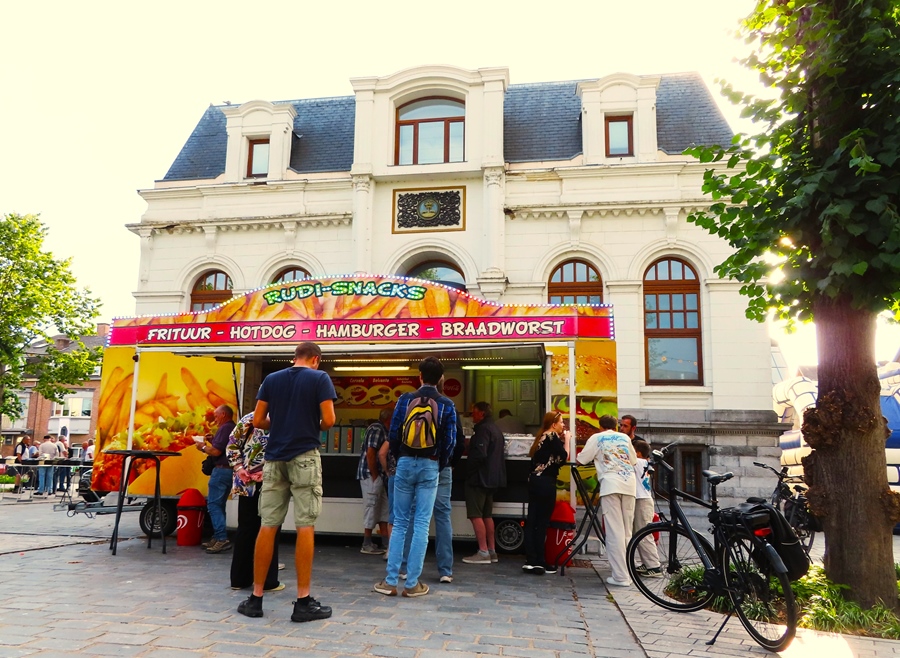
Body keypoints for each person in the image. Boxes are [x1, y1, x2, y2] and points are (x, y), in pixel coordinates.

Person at [238, 341, 336, 622]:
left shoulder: (272, 379)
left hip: (274, 459)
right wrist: (309, 424)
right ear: (315, 359)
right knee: (305, 525)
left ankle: (256, 598)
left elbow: (258, 420)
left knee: (268, 525)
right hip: (304, 456)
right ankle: (303, 601)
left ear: (295, 357)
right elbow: (329, 420)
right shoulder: (320, 378)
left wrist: (280, 423)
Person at [375, 356, 456, 598]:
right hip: (430, 464)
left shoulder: (405, 399)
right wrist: (438, 462)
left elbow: (394, 433)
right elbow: (450, 441)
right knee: (422, 523)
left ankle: (390, 581)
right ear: (440, 379)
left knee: (400, 522)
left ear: (419, 376)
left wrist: (401, 457)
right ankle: (412, 584)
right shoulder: (447, 404)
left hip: (405, 463)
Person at [577, 415, 637, 587]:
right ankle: (629, 571)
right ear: (615, 426)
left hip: (611, 484)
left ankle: (620, 576)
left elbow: (581, 459)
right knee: (627, 531)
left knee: (614, 531)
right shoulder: (624, 438)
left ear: (600, 426)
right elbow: (632, 461)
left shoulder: (597, 437)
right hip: (629, 484)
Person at [227, 412, 281, 592]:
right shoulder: (284, 417)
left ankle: (239, 579)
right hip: (271, 482)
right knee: (270, 527)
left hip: (246, 481)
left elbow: (232, 444)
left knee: (245, 529)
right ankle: (268, 581)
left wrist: (239, 468)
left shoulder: (249, 418)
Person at [523, 411, 569, 575]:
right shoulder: (552, 437)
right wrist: (567, 440)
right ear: (554, 424)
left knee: (532, 520)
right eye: (561, 422)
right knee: (542, 522)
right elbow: (563, 457)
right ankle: (540, 561)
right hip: (546, 483)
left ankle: (531, 559)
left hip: (534, 481)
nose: (563, 425)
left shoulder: (541, 437)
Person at [462, 401, 506, 565]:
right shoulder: (495, 429)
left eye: (474, 412)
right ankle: (492, 551)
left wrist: (469, 470)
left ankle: (482, 551)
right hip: (493, 478)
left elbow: (480, 454)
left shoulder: (482, 430)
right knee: (487, 515)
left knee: (476, 515)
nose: (472, 415)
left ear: (481, 413)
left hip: (479, 479)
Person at [198, 405, 236, 554]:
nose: (215, 419)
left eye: (216, 416)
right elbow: (223, 448)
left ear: (224, 414)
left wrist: (202, 447)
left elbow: (216, 451)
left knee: (213, 505)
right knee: (219, 506)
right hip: (229, 471)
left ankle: (221, 538)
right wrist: (213, 440)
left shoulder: (225, 428)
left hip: (221, 471)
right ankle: (217, 536)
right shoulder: (232, 427)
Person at [358, 408, 392, 555]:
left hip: (379, 476)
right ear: (389, 419)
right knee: (371, 507)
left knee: (383, 508)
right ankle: (366, 543)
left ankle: (385, 542)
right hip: (372, 475)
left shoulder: (381, 429)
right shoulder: (377, 429)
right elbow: (371, 453)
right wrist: (375, 475)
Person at [631, 438, 661, 578]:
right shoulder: (645, 463)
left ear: (637, 453)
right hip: (643, 499)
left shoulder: (638, 462)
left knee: (643, 533)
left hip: (642, 500)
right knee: (639, 532)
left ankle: (653, 566)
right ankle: (646, 563)